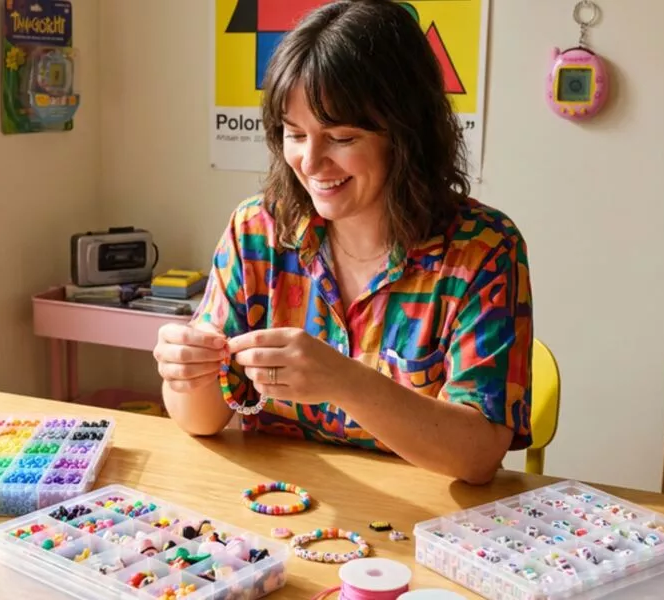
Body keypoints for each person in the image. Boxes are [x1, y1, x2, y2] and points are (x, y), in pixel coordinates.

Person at [154, 0, 533, 485]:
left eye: (341, 138)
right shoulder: (256, 230)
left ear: (405, 135)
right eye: (294, 134)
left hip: (423, 526)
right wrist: (184, 371)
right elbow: (200, 421)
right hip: (277, 511)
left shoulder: (483, 250)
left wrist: (344, 380)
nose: (310, 162)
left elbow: (478, 455)